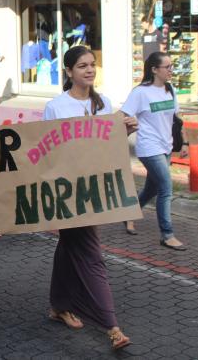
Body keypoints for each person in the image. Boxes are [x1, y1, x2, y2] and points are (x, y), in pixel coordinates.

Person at [43, 46, 134, 351]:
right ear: (69, 72)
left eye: (92, 65)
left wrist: (124, 131)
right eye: (82, 66)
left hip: (95, 190)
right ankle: (112, 326)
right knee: (91, 256)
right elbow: (44, 153)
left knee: (70, 247)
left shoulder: (104, 102)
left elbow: (108, 145)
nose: (89, 70)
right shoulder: (55, 107)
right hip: (68, 193)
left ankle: (58, 305)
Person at [121, 51, 188, 250]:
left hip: (166, 146)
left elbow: (177, 120)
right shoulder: (140, 92)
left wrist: (184, 143)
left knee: (151, 188)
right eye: (167, 67)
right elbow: (124, 115)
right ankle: (167, 235)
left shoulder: (170, 90)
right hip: (148, 147)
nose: (171, 71)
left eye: (171, 66)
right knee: (166, 189)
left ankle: (129, 214)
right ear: (154, 70)